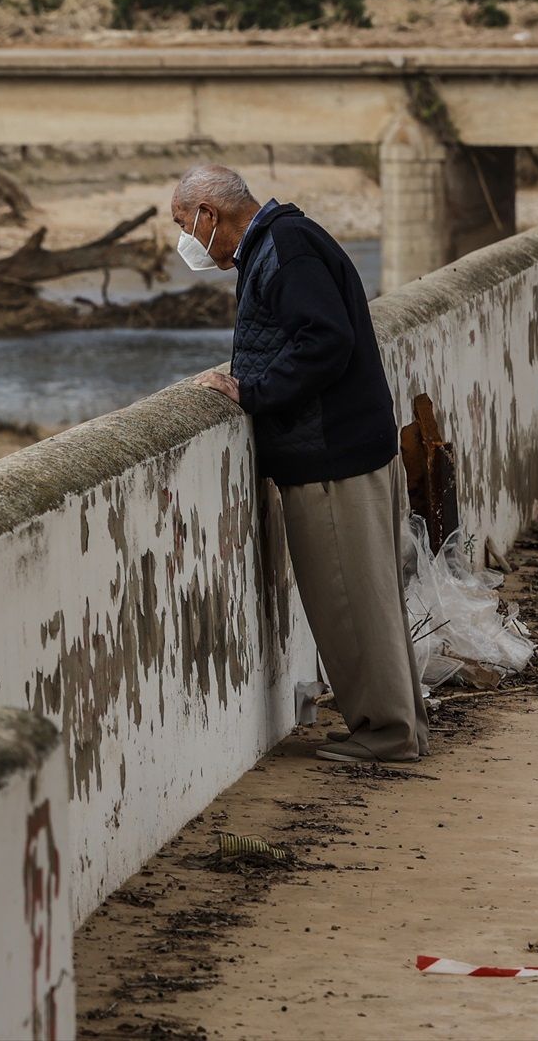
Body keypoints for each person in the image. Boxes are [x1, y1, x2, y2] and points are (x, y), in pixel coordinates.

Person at [175, 164, 429, 763]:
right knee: (371, 599)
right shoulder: (281, 243)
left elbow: (324, 340)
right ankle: (399, 724)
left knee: (350, 602)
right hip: (345, 450)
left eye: (183, 221)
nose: (183, 236)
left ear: (210, 215)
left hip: (332, 459)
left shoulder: (284, 250)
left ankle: (388, 733)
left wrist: (253, 393)